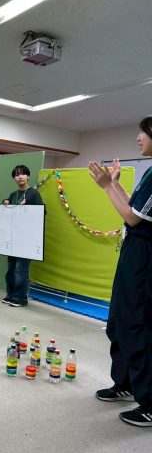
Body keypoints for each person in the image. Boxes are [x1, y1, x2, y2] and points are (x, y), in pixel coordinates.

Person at [88, 116, 152, 427]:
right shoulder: (149, 171)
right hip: (133, 253)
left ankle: (149, 403)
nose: (138, 138)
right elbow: (135, 208)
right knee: (120, 321)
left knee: (138, 324)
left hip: (144, 257)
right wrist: (114, 183)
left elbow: (132, 218)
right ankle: (124, 383)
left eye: (144, 132)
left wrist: (105, 187)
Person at [2, 165, 44, 307]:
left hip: (27, 238)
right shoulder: (13, 195)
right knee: (11, 270)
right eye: (17, 175)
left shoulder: (34, 193)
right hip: (13, 237)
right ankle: (10, 295)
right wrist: (5, 203)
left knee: (21, 269)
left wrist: (28, 208)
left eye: (23, 174)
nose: (20, 177)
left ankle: (20, 298)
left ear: (28, 176)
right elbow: (8, 213)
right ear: (14, 178)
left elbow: (42, 213)